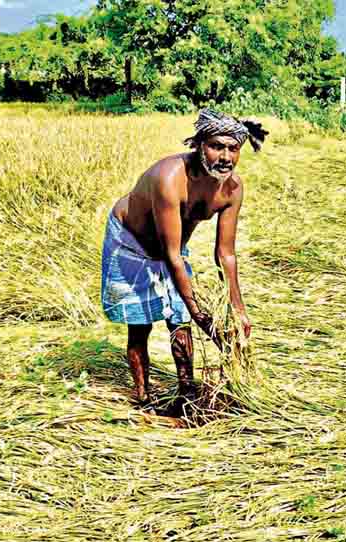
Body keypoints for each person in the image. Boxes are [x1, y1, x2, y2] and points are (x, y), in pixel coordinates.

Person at [100, 109, 267, 404]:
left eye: (233, 149)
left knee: (180, 321)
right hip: (131, 243)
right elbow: (173, 256)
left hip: (172, 247)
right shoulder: (170, 178)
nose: (225, 157)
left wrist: (237, 309)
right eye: (217, 146)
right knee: (141, 323)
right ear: (200, 144)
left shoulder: (232, 189)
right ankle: (143, 397)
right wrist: (199, 311)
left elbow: (225, 254)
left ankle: (187, 394)